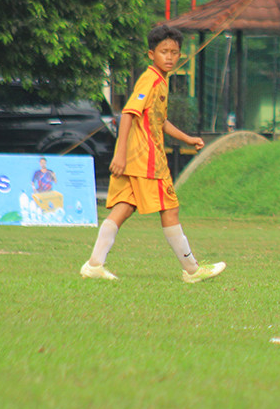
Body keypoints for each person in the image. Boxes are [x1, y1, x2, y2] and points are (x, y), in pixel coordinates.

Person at [80, 24, 225, 283]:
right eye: (163, 51)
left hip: (138, 159)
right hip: (146, 159)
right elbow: (127, 113)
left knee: (123, 208)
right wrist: (120, 155)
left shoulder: (161, 81)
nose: (169, 57)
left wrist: (187, 138)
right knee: (171, 209)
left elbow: (160, 120)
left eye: (174, 52)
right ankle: (192, 270)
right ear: (151, 54)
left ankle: (94, 265)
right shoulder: (150, 79)